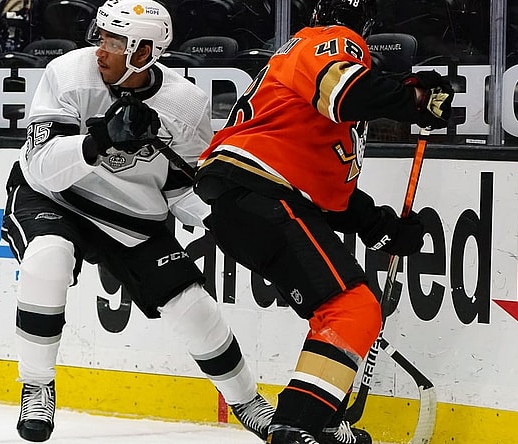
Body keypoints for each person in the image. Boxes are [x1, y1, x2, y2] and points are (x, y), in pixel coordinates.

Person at [0, 0, 274, 442]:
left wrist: (217, 219)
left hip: (131, 216)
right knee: (46, 259)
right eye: (101, 36)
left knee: (192, 305)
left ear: (144, 52)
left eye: (112, 41)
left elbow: (181, 186)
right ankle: (37, 384)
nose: (99, 49)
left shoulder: (185, 105)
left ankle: (248, 402)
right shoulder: (69, 74)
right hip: (55, 196)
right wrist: (101, 139)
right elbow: (43, 164)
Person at [193, 0, 454, 442]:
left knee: (335, 312)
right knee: (353, 307)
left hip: (250, 201)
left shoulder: (299, 78)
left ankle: (322, 421)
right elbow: (350, 93)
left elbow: (327, 191)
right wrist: (414, 97)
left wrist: (378, 226)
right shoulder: (329, 40)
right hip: (260, 194)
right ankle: (297, 424)